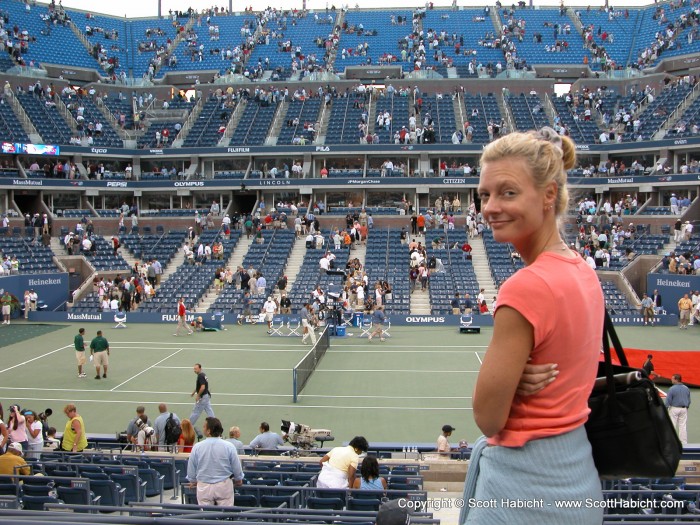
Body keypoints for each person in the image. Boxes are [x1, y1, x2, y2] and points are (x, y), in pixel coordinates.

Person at [462, 128, 604, 524]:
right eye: (485, 194)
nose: (490, 207)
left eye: (508, 192)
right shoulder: (583, 270)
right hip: (578, 476)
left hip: (523, 491)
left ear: (548, 195)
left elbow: (488, 417)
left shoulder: (527, 286)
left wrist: (502, 379)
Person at [186, 417, 244, 506]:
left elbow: (191, 468)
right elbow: (236, 466)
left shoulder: (197, 447)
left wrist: (193, 481)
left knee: (206, 516)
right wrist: (238, 479)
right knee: (226, 515)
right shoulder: (229, 446)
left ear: (209, 431)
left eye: (204, 427)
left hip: (204, 487)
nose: (203, 428)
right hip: (223, 486)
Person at [666, 374, 691, 446]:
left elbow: (668, 401)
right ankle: (684, 443)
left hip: (674, 409)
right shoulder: (686, 388)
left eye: (672, 379)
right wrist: (686, 408)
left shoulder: (672, 389)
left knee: (672, 425)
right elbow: (689, 400)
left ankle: (671, 442)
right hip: (684, 409)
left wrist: (666, 408)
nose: (671, 380)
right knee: (683, 426)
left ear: (676, 379)